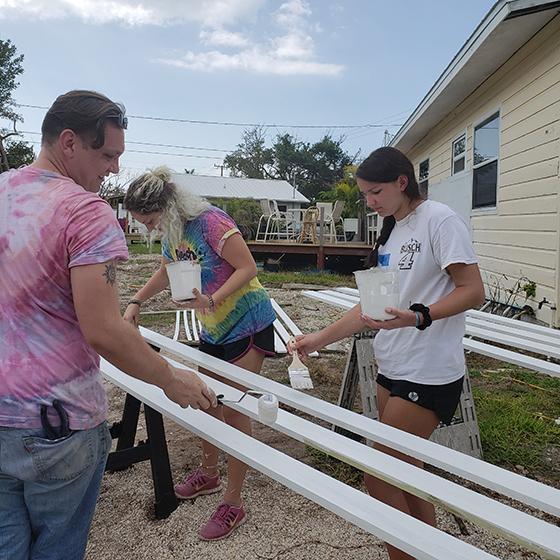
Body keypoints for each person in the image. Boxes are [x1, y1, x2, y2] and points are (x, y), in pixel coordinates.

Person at [0, 90, 216, 560]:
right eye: (108, 154)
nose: (115, 169)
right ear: (70, 142)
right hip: (57, 424)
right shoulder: (84, 210)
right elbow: (103, 330)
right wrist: (171, 379)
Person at [292, 147, 485, 560]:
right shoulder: (392, 231)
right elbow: (369, 308)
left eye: (375, 192)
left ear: (402, 182)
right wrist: (317, 339)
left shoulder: (440, 220)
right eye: (365, 195)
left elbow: (474, 291)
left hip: (429, 372)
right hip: (391, 369)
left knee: (378, 475)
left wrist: (419, 317)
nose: (370, 202)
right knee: (407, 473)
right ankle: (431, 552)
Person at [122, 166, 276, 541]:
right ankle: (209, 473)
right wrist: (136, 300)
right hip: (213, 325)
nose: (147, 228)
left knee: (235, 410)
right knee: (207, 401)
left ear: (168, 206)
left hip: (247, 322)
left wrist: (212, 299)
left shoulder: (210, 222)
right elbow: (166, 270)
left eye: (150, 219)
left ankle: (234, 501)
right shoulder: (172, 231)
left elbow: (248, 266)